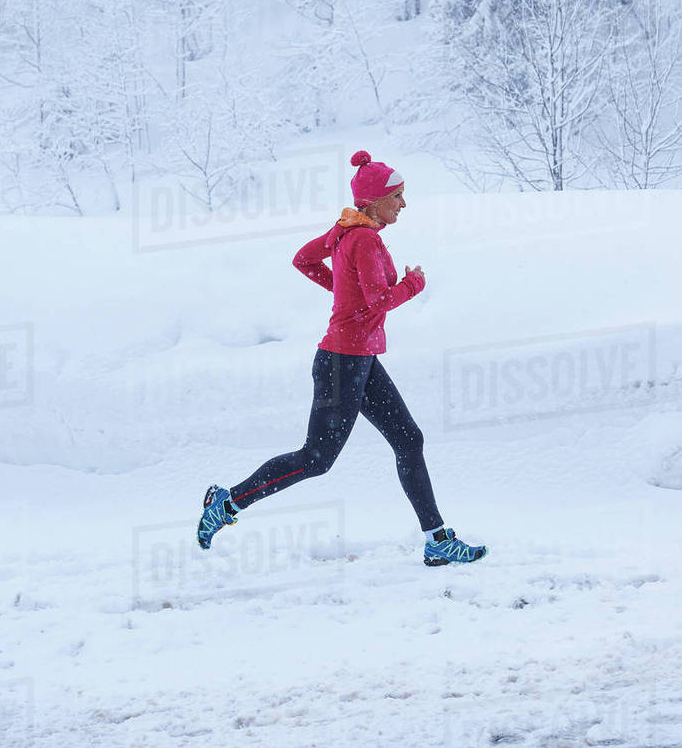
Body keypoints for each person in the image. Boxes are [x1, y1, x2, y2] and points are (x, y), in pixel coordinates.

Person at [197, 150, 487, 567]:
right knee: (316, 460)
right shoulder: (364, 237)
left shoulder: (346, 229)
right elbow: (380, 300)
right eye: (398, 196)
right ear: (374, 200)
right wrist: (414, 283)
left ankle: (437, 539)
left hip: (358, 359)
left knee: (408, 439)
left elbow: (305, 260)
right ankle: (226, 504)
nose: (404, 204)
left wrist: (343, 292)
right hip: (342, 364)